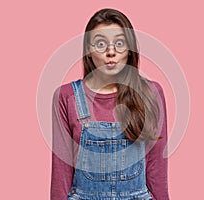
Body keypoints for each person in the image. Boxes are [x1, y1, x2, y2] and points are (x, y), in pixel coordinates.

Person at [51, 8, 169, 200]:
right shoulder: (66, 96)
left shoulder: (151, 93)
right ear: (88, 51)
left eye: (120, 43)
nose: (111, 52)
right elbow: (61, 172)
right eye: (100, 44)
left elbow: (157, 167)